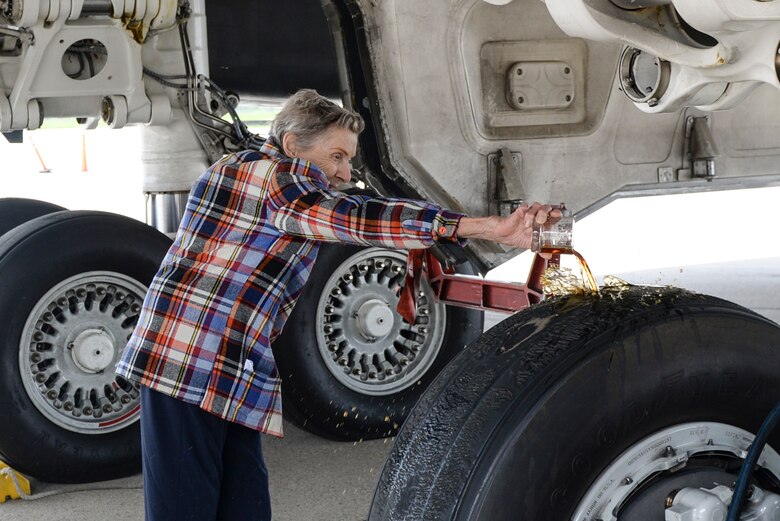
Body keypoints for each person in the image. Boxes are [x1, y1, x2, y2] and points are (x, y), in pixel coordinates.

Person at [116, 88, 560, 520]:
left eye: (348, 158)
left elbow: (344, 209)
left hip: (225, 367)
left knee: (245, 505)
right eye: (336, 156)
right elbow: (357, 219)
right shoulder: (278, 181)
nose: (346, 173)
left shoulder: (241, 168)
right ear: (292, 145)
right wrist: (485, 227)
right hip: (184, 365)